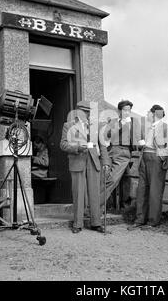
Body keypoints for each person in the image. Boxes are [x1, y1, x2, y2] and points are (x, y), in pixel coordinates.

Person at [60, 100, 109, 234]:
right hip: (77, 161)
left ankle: (96, 223)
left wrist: (106, 162)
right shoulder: (68, 125)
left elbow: (103, 145)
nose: (88, 115)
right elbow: (63, 145)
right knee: (78, 193)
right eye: (86, 112)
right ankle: (78, 224)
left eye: (89, 113)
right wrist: (77, 147)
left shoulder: (96, 126)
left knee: (94, 193)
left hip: (93, 161)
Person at [128, 105, 168, 230]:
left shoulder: (167, 128)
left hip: (156, 159)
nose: (147, 114)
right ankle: (140, 219)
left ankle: (153, 221)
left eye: (149, 112)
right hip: (144, 158)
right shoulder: (149, 128)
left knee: (155, 191)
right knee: (142, 190)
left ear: (155, 114)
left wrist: (160, 158)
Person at [99, 100, 143, 208]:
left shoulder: (134, 122)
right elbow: (106, 135)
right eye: (124, 110)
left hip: (123, 152)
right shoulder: (113, 121)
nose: (127, 112)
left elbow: (138, 139)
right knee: (104, 177)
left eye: (129, 110)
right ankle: (103, 206)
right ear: (119, 110)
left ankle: (96, 206)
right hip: (109, 151)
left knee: (112, 179)